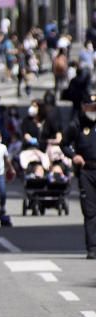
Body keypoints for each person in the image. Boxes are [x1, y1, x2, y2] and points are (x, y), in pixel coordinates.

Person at [62, 94, 96, 258]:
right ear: (83, 107)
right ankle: (92, 248)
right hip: (87, 171)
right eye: (90, 106)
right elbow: (64, 144)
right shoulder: (76, 124)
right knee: (90, 212)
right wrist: (73, 156)